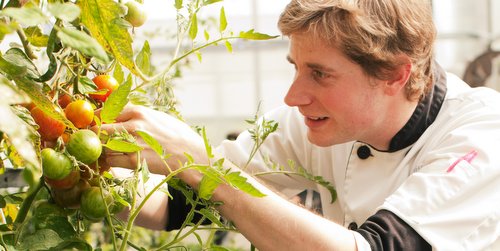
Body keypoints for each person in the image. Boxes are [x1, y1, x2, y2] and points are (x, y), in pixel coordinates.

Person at [100, 0, 500, 250]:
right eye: (296, 67)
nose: (293, 96)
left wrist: (202, 164)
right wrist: (91, 178)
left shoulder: (480, 135)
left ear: (395, 74)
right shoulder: (315, 124)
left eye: (320, 74)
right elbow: (179, 205)